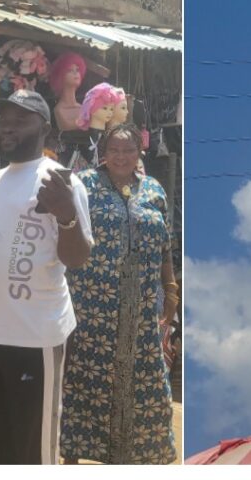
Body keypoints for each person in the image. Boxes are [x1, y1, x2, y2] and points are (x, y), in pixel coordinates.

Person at [0, 90, 92, 464]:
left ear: (44, 128)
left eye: (20, 120)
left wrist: (65, 215)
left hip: (34, 338)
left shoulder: (60, 182)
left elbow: (78, 258)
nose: (8, 127)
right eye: (4, 119)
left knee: (32, 452)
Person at [60, 124, 178, 464]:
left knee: (146, 376)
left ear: (139, 153)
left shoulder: (153, 189)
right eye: (115, 149)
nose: (122, 156)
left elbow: (165, 243)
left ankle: (134, 454)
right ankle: (76, 453)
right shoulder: (86, 185)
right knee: (86, 377)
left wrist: (170, 289)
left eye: (128, 150)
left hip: (141, 305)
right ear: (103, 152)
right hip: (92, 303)